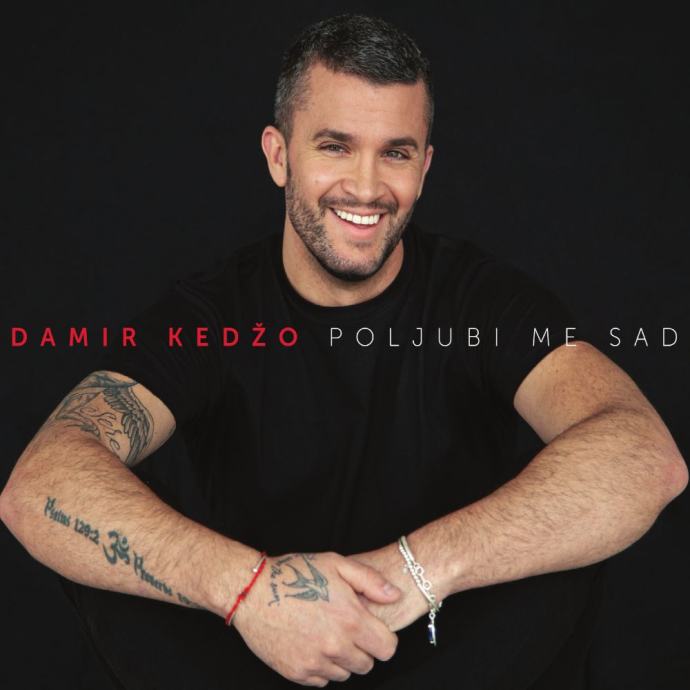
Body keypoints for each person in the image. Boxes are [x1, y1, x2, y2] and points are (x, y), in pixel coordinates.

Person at [1, 14, 687, 690]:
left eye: (396, 153)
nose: (365, 187)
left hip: (442, 652)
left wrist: (410, 574)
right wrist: (251, 591)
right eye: (335, 146)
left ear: (425, 165)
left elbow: (645, 457)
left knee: (572, 532)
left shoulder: (483, 302)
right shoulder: (210, 314)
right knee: (107, 551)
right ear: (279, 156)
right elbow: (38, 486)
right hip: (256, 656)